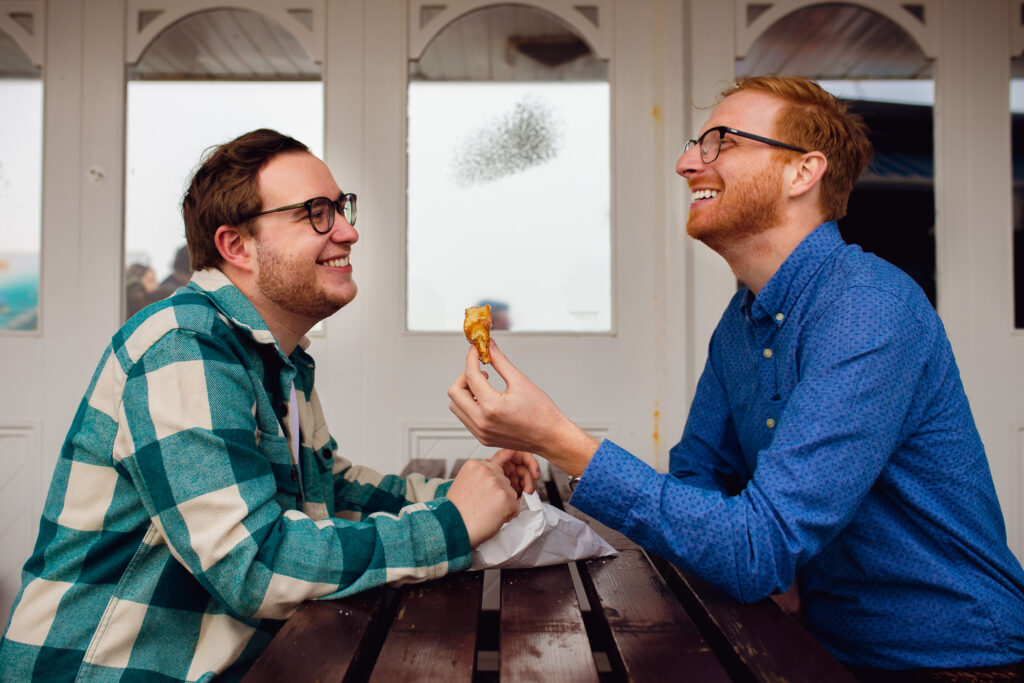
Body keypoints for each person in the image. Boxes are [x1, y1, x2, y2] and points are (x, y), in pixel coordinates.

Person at [448, 76, 1024, 676]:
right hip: (820, 646)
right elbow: (704, 479)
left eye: (719, 141)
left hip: (959, 663)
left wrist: (558, 440)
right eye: (697, 143)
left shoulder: (870, 308)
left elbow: (758, 549)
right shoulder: (744, 317)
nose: (686, 162)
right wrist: (769, 565)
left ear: (802, 172)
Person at [0, 128, 539, 681]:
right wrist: (450, 524)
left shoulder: (272, 356)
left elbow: (327, 489)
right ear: (237, 247)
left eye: (342, 208)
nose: (349, 232)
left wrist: (472, 494)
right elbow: (252, 564)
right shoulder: (183, 346)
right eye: (316, 213)